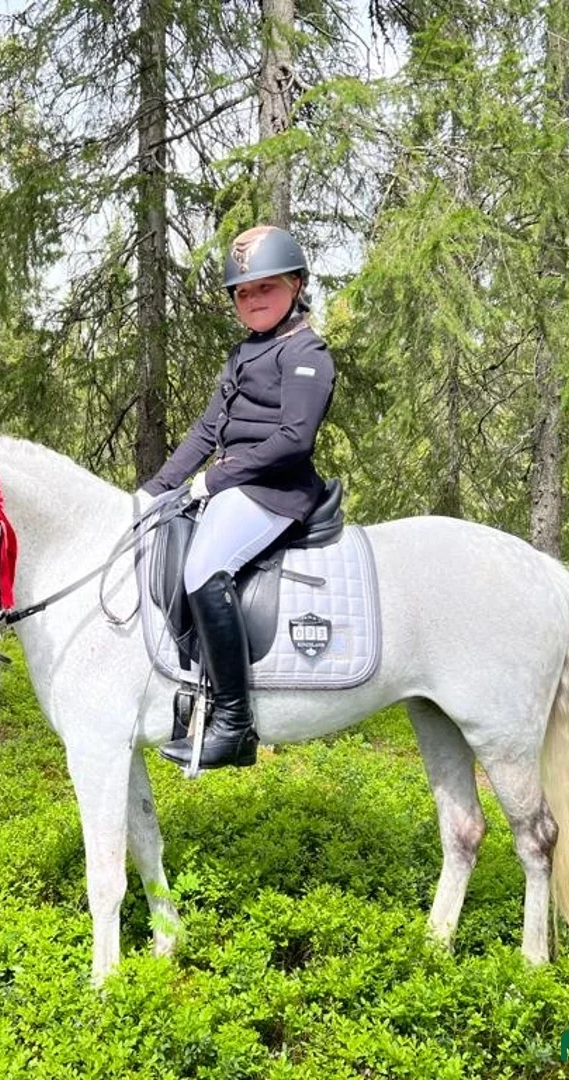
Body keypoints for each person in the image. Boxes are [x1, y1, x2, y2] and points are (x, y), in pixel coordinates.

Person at [140, 225, 336, 770]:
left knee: (204, 567)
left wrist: (210, 482)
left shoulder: (307, 353)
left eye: (265, 288)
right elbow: (207, 430)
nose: (253, 301)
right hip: (238, 486)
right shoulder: (245, 352)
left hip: (277, 492)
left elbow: (294, 440)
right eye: (243, 292)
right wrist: (154, 490)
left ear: (296, 286)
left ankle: (233, 724)